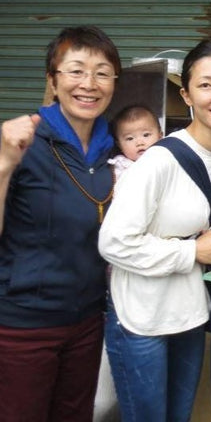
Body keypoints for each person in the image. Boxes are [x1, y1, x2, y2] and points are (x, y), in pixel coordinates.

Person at [98, 40, 211, 421]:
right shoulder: (158, 162)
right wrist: (190, 253)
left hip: (189, 312)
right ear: (186, 95)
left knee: (178, 415)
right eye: (205, 85)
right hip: (140, 316)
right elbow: (113, 241)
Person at [0, 25, 121, 421]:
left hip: (86, 321)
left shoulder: (112, 153)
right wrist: (3, 164)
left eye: (102, 72)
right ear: (52, 80)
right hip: (24, 326)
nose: (89, 84)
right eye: (75, 70)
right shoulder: (21, 142)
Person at [93, 104, 162, 422]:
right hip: (122, 270)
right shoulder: (118, 169)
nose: (141, 143)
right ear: (118, 144)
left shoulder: (167, 160)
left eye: (147, 134)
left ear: (160, 134)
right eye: (130, 138)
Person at [108, 104, 163, 178]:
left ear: (160, 137)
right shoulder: (120, 165)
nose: (139, 143)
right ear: (120, 145)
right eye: (130, 138)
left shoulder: (165, 160)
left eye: (146, 135)